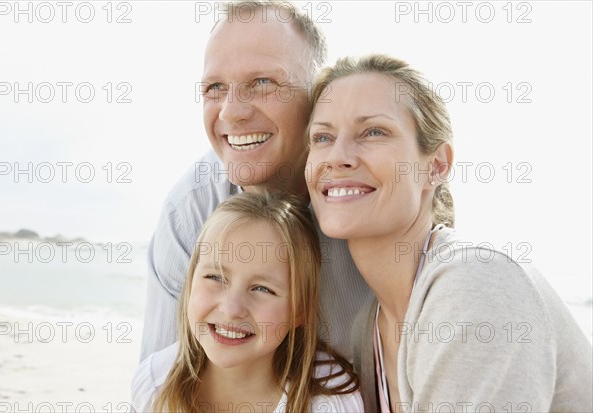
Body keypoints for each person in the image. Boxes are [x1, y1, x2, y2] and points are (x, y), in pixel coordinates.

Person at [305, 54, 593, 412]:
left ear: (437, 165)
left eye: (374, 132)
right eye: (322, 137)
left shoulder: (475, 283)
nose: (338, 155)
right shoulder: (371, 328)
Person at [141, 0, 372, 362]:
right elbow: (165, 383)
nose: (231, 111)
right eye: (215, 88)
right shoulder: (190, 209)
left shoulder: (370, 193)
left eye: (263, 82)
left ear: (317, 96)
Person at [132, 192, 364, 412]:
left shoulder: (330, 401)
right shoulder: (155, 382)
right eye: (215, 277)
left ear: (299, 310)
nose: (232, 309)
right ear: (191, 281)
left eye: (262, 288)